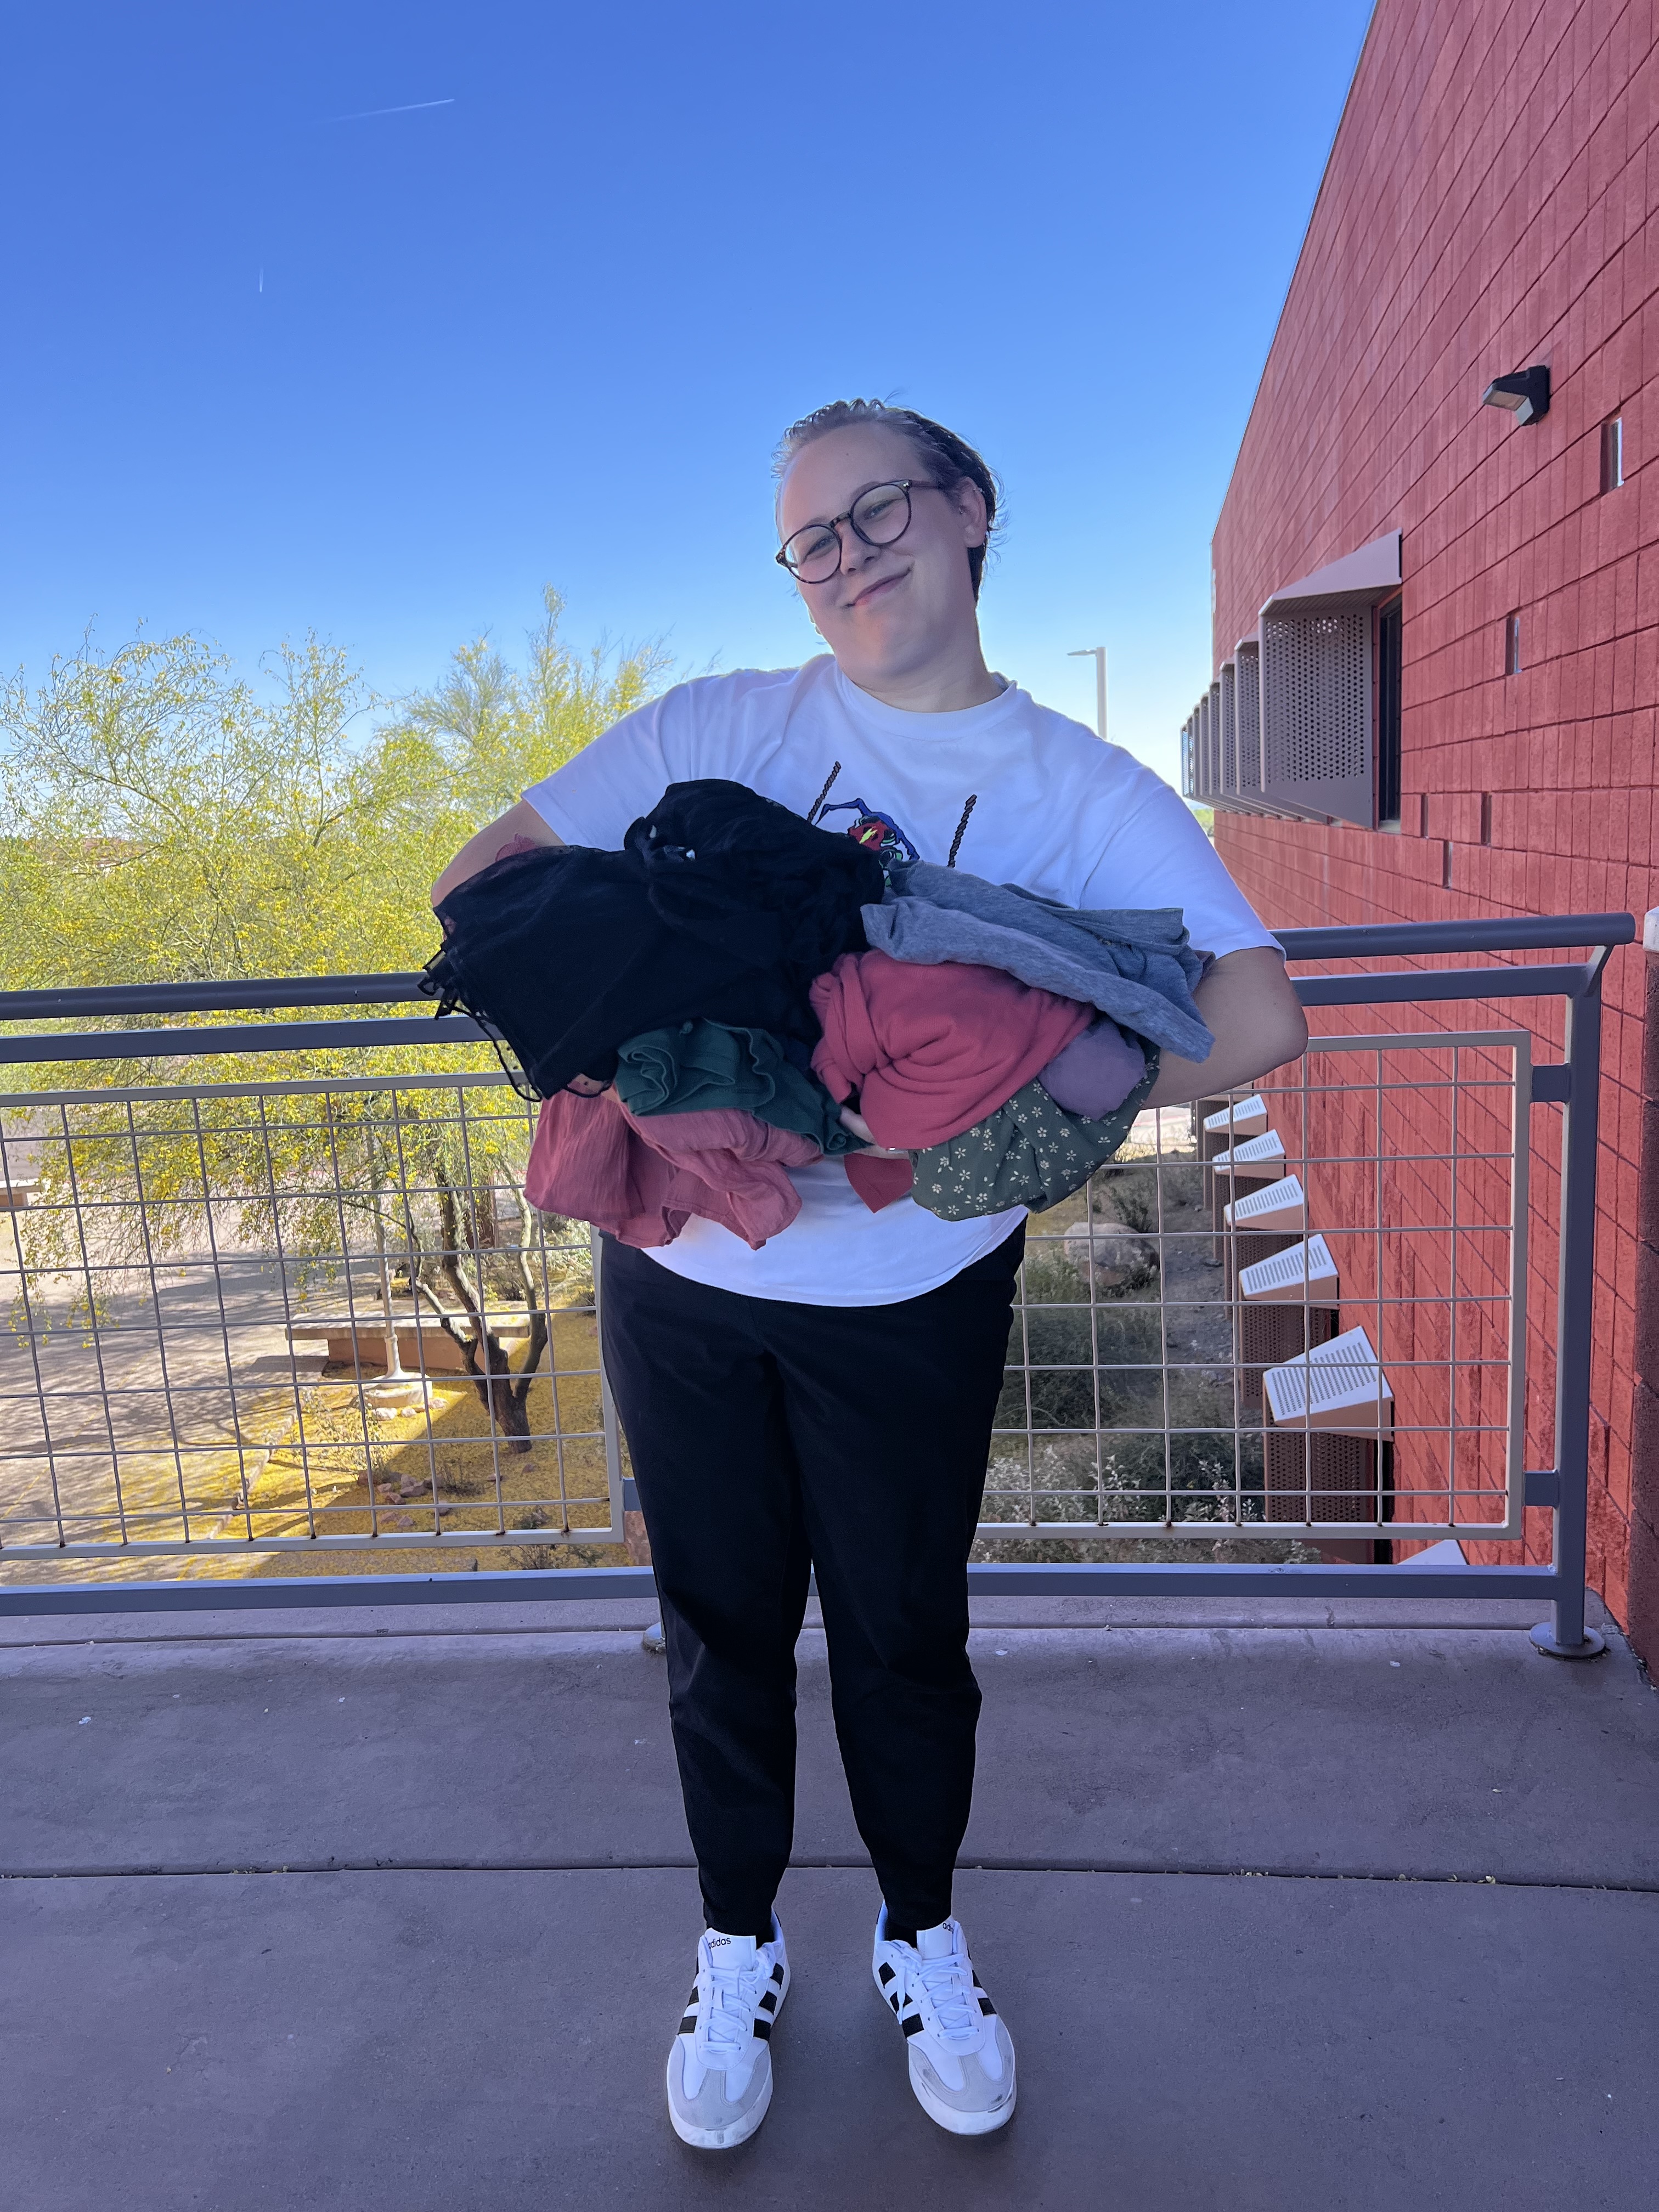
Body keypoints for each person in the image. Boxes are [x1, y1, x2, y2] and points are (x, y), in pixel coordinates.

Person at [432, 399, 1308, 2149]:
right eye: (811, 542)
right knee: (720, 1634)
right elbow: (484, 887)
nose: (848, 561)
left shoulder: (1077, 789)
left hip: (915, 1301)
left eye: (879, 511)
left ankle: (923, 1935)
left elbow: (1262, 1013)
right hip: (683, 1283)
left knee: (906, 1640)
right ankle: (737, 1946)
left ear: (971, 509)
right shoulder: (719, 726)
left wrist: (1002, 1114)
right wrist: (666, 1032)